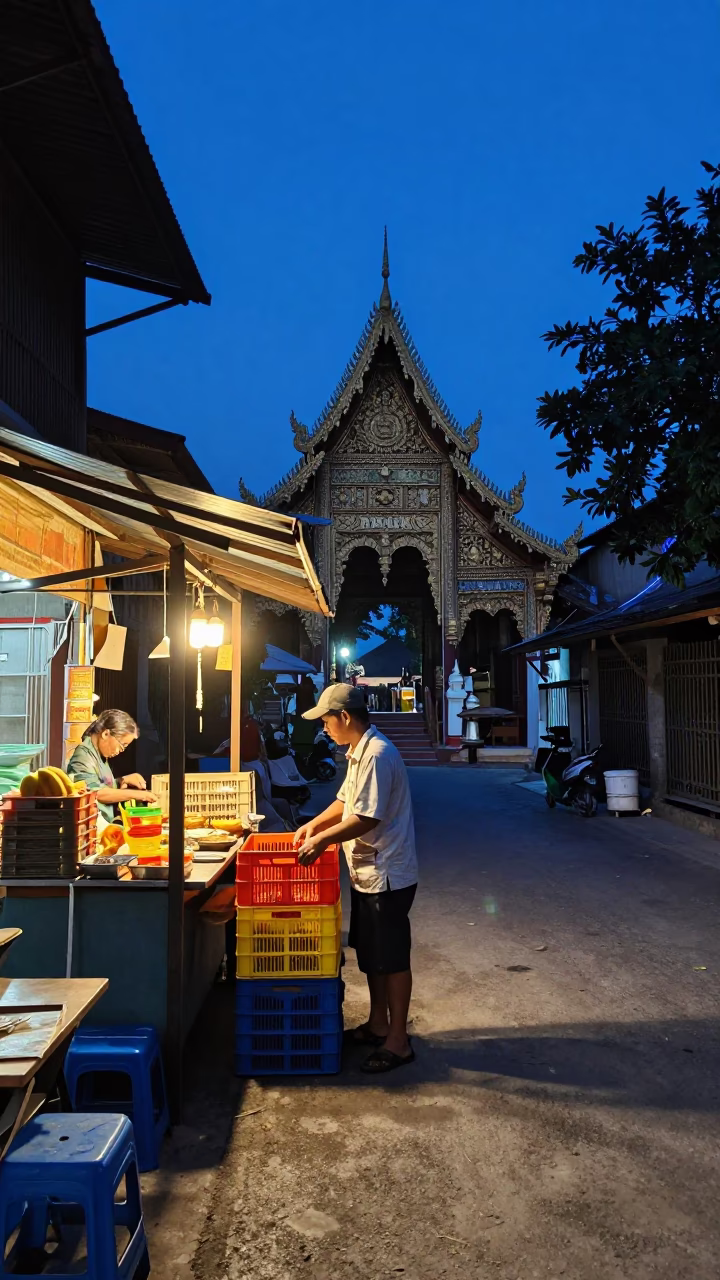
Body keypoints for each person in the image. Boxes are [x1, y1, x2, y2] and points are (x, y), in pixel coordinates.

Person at [294, 684, 418, 1074]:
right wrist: (312, 824)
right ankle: (378, 1023)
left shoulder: (379, 755)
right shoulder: (358, 752)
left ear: (344, 717)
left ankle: (398, 1041)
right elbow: (346, 801)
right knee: (372, 955)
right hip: (366, 872)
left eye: (327, 720)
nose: (325, 728)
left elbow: (366, 818)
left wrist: (320, 840)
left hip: (387, 875)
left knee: (392, 959)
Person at [67, 709, 156, 823]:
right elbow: (96, 793)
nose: (121, 751)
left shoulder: (100, 755)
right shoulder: (83, 756)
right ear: (106, 734)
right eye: (122, 745)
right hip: (91, 829)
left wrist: (122, 780)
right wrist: (139, 795)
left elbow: (101, 783)